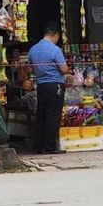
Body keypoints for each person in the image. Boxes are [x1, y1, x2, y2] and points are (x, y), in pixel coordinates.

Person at [27, 22, 71, 154]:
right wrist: (68, 70)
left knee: (41, 115)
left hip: (41, 86)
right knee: (52, 116)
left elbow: (30, 69)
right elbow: (64, 69)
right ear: (55, 35)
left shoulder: (33, 49)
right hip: (55, 85)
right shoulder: (55, 49)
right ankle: (50, 146)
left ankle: (38, 146)